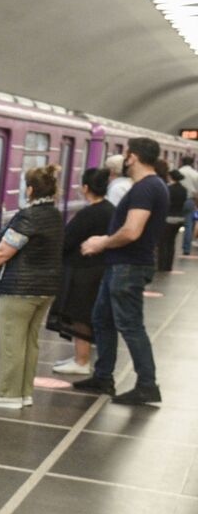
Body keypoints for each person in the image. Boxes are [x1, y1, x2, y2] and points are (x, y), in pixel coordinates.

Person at [75, 136, 168, 406]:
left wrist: (101, 242)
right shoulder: (150, 186)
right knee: (102, 319)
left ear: (134, 157)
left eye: (127, 154)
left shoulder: (146, 189)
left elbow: (131, 231)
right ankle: (103, 376)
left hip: (128, 266)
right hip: (121, 264)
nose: (125, 159)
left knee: (130, 325)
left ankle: (147, 385)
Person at [0, 164, 63, 409]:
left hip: (20, 288)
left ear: (30, 189)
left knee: (11, 341)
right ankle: (24, 392)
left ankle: (7, 394)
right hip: (46, 289)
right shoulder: (54, 214)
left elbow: (6, 249)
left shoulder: (29, 216)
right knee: (30, 340)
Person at [50, 167, 113, 377]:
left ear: (86, 188)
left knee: (80, 317)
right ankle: (81, 357)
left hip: (84, 273)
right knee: (89, 316)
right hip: (101, 269)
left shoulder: (88, 213)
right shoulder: (111, 209)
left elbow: (66, 241)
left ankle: (81, 360)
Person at [161, 161, 189, 272]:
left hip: (168, 218)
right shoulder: (184, 190)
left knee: (164, 243)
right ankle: (169, 265)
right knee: (171, 242)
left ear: (171, 177)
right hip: (179, 218)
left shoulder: (168, 189)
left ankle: (162, 265)